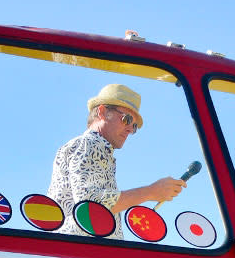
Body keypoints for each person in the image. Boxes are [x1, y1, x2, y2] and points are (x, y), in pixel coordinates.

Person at [47, 83, 186, 232]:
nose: (129, 129)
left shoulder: (97, 149)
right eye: (126, 119)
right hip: (79, 251)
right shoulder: (88, 145)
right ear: (102, 112)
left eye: (134, 126)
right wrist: (151, 191)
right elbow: (90, 207)